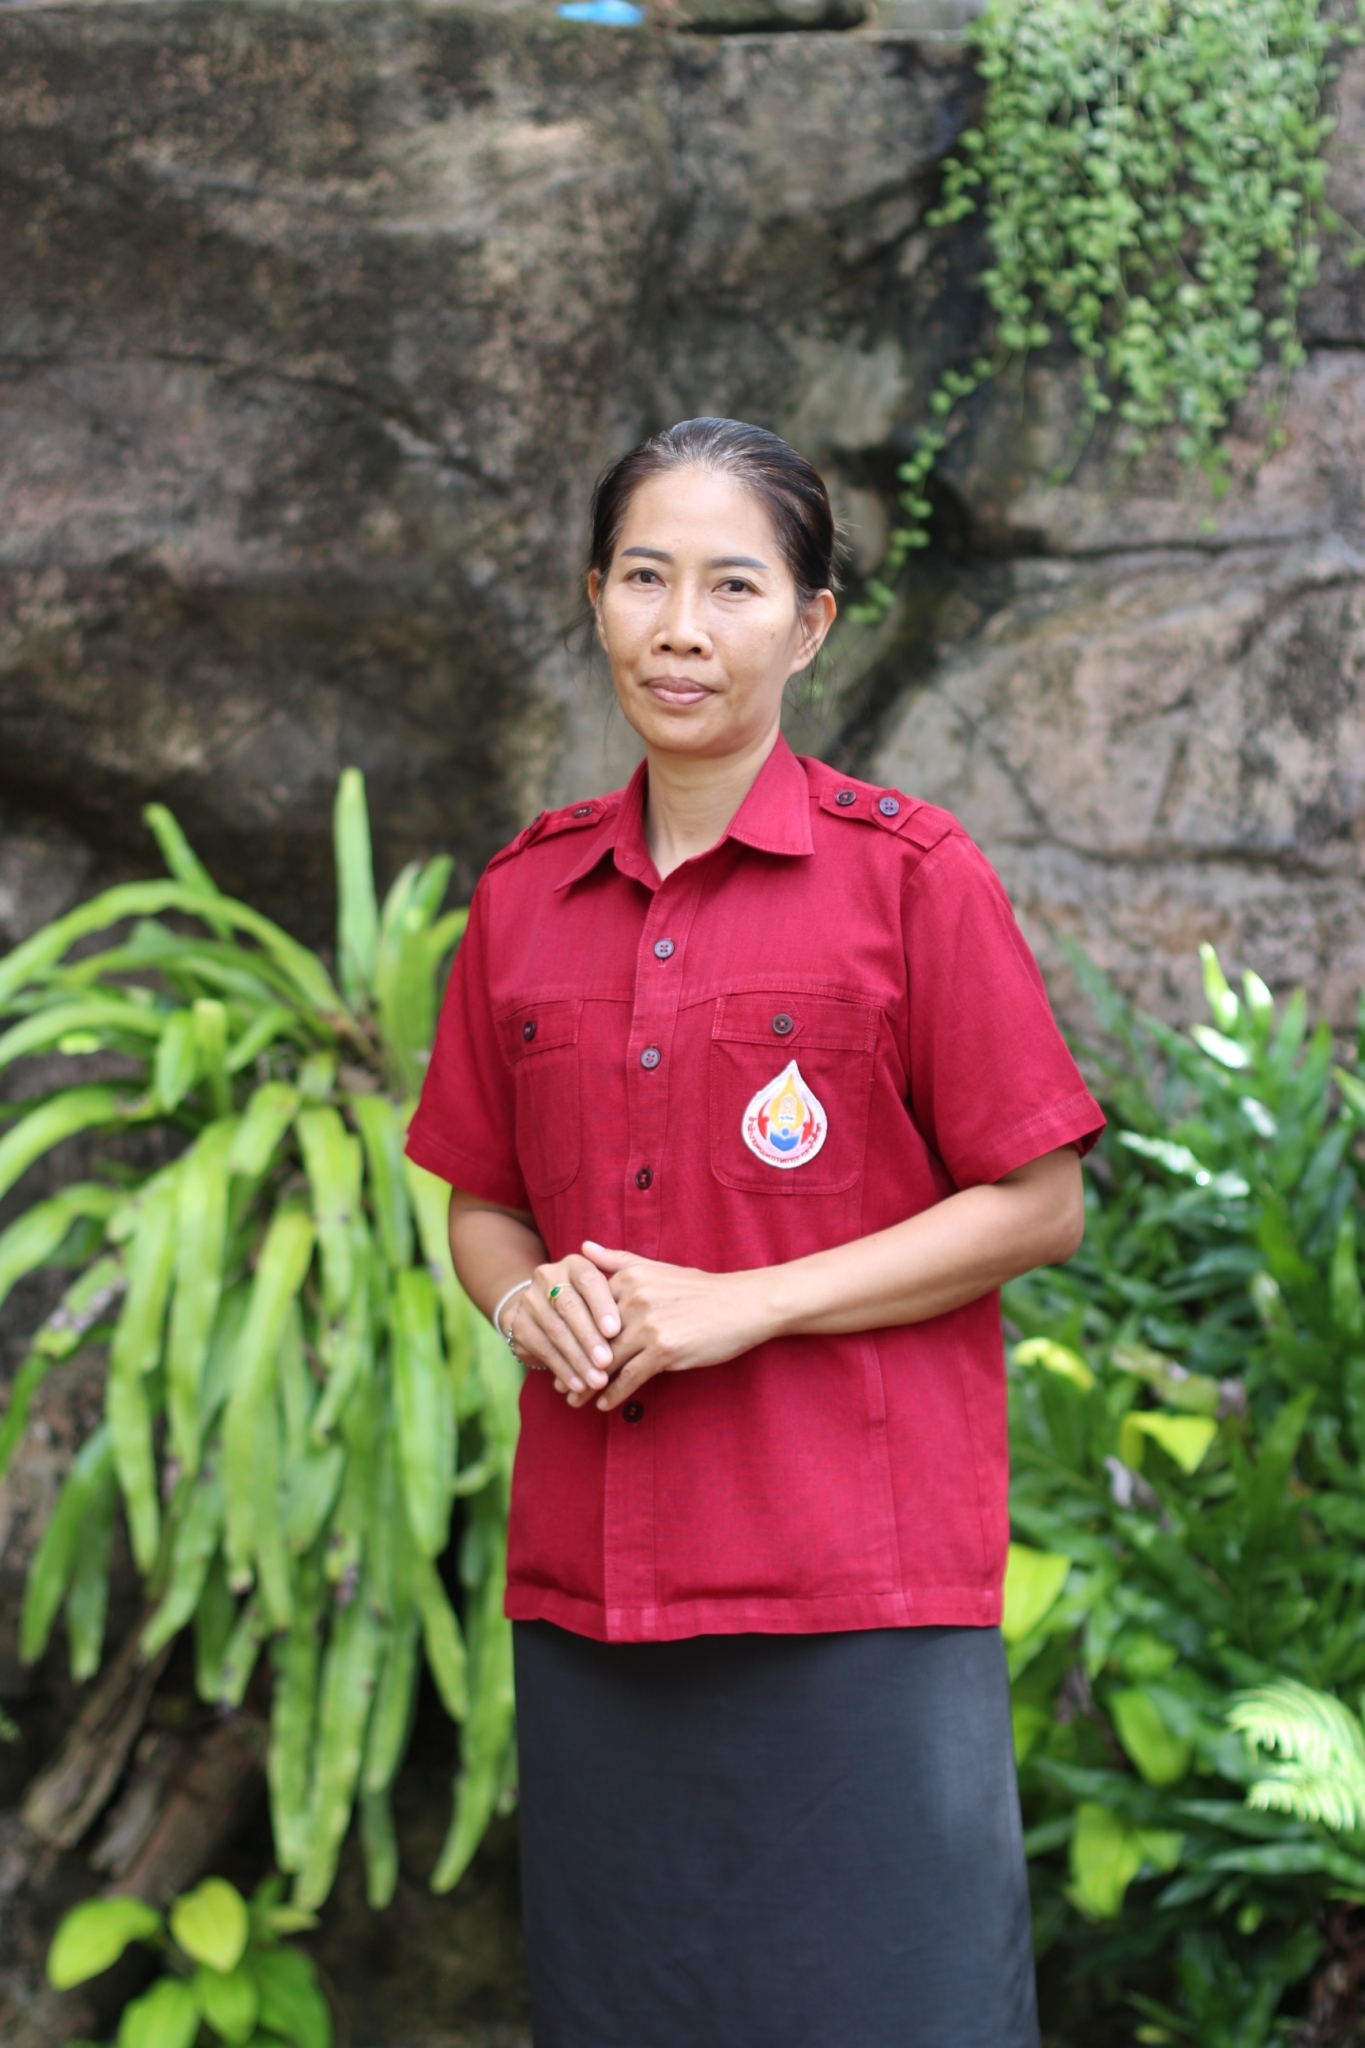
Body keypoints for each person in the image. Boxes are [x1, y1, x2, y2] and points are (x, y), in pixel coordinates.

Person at [404, 417, 1104, 2048]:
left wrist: (746, 1304)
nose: (680, 627)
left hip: (854, 1593)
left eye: (732, 585)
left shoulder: (909, 879)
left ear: (809, 624)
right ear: (594, 597)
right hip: (597, 1601)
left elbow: (1040, 1202)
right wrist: (519, 1305)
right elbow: (481, 1201)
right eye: (643, 577)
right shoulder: (522, 896)